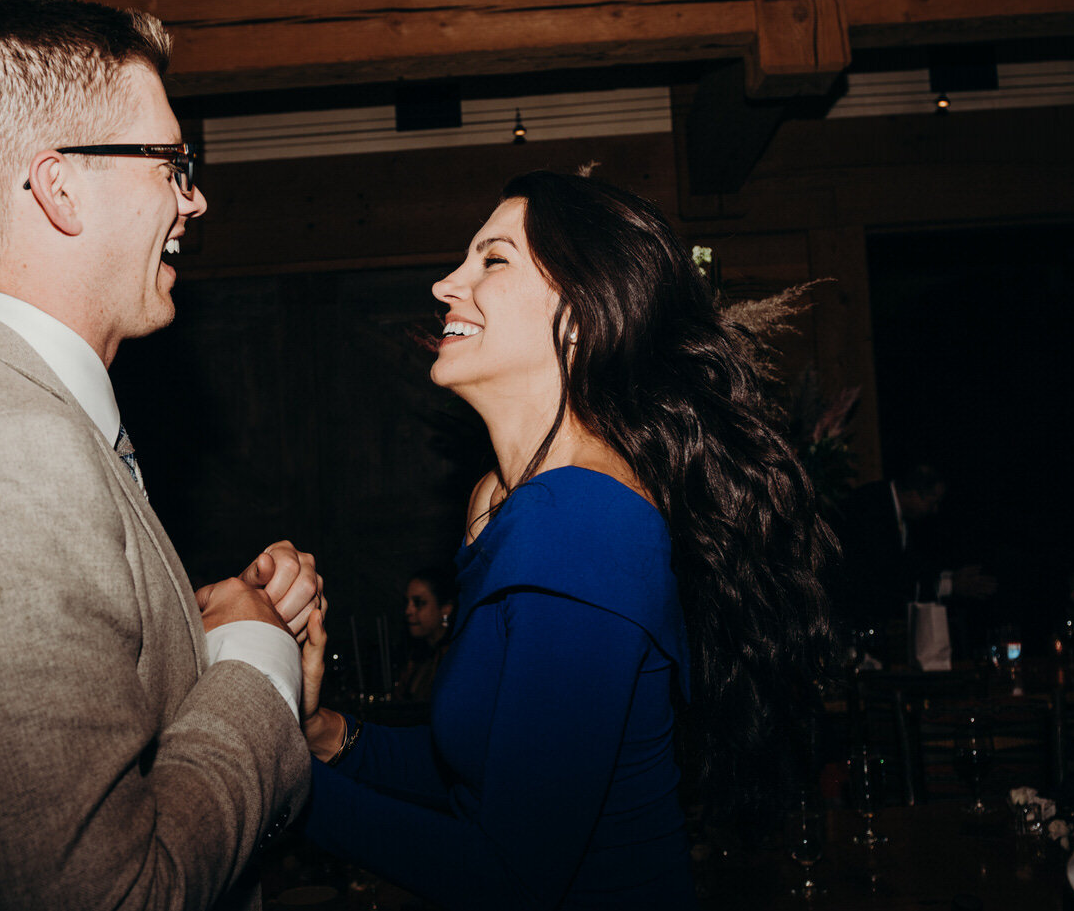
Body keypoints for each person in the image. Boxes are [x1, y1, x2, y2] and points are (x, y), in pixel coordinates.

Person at [0, 0, 321, 911]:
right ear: (60, 187)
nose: (193, 196)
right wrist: (254, 669)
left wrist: (200, 641)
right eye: (170, 163)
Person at [296, 170, 835, 909]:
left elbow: (510, 871)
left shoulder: (583, 519)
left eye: (493, 259)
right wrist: (329, 737)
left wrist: (273, 788)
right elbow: (487, 765)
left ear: (579, 315)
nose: (446, 284)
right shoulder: (508, 505)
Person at [835, 465, 995, 641]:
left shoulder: (893, 508)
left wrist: (949, 576)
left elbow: (909, 562)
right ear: (912, 493)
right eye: (932, 502)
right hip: (856, 618)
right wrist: (949, 586)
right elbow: (886, 573)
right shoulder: (872, 507)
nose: (935, 510)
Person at [393, 567, 456, 704]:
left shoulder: (456, 657)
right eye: (407, 602)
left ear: (446, 609)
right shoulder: (415, 657)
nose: (408, 611)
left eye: (419, 603)